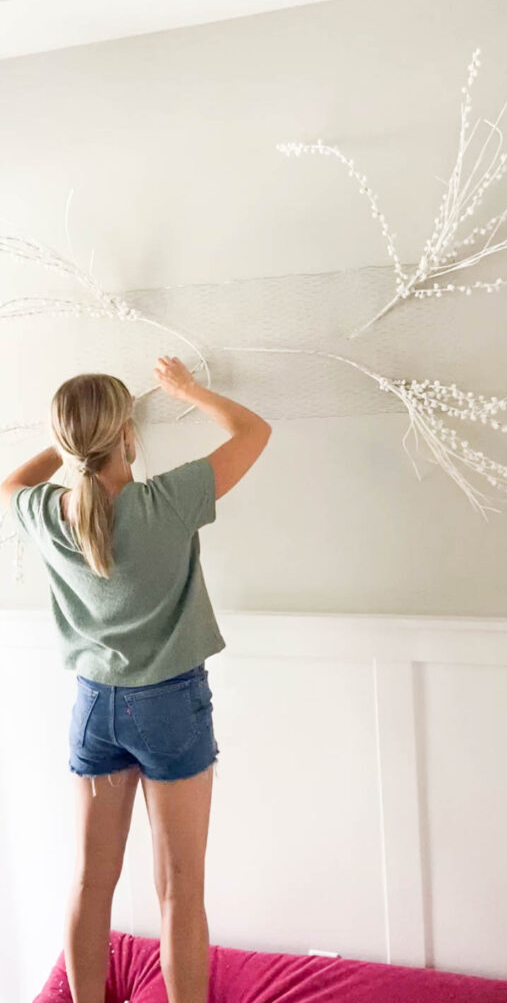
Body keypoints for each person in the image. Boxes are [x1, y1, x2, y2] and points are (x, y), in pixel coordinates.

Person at [0, 355, 272, 1003]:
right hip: (171, 709)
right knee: (180, 886)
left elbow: (9, 483)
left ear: (71, 442)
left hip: (94, 710)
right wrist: (188, 389)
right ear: (128, 433)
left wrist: (72, 444)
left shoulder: (46, 512)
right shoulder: (167, 502)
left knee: (91, 882)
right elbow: (254, 431)